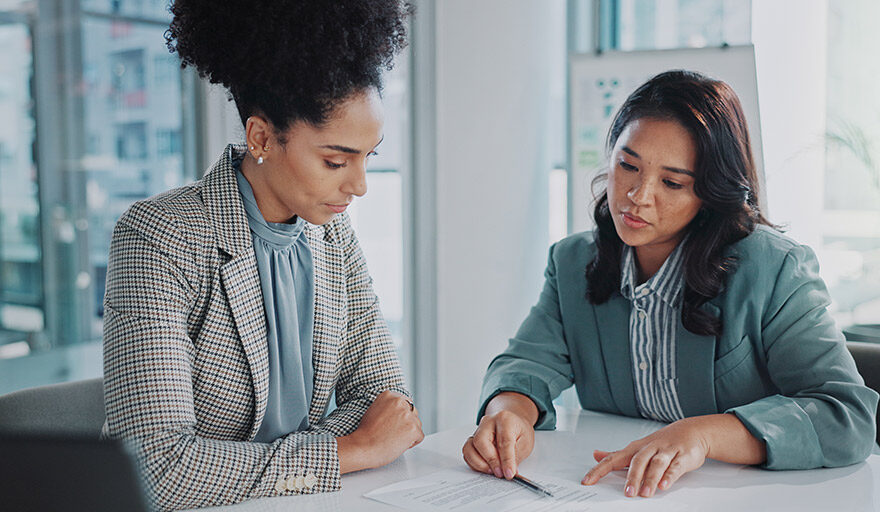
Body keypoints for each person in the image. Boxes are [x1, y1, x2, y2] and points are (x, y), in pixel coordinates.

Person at [462, 70, 878, 499]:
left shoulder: (774, 269)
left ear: (710, 193)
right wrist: (508, 411)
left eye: (672, 182)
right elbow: (527, 364)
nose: (638, 196)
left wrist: (704, 435)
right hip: (618, 495)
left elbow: (847, 416)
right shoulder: (572, 261)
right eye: (628, 165)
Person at [101, 1, 422, 510]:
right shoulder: (160, 238)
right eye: (335, 160)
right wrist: (345, 451)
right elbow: (156, 467)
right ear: (261, 137)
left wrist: (244, 464)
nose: (359, 186)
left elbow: (385, 403)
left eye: (370, 157)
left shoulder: (332, 236)